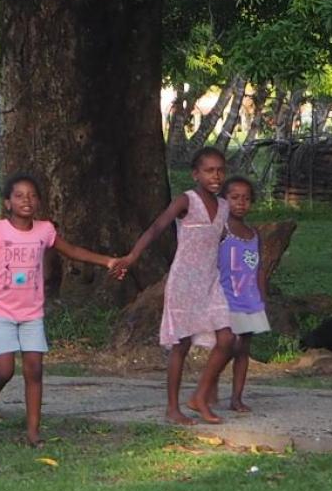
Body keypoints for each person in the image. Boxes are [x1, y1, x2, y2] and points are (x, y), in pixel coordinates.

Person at [0, 172, 114, 444]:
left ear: (39, 201)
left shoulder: (45, 231)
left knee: (34, 370)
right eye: (19, 196)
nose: (26, 200)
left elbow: (73, 250)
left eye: (31, 196)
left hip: (32, 313)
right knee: (4, 370)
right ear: (7, 203)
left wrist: (108, 262)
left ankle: (33, 431)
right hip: (2, 310)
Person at [114, 146, 237, 424]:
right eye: (209, 170)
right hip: (184, 281)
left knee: (228, 338)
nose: (215, 176)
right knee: (180, 345)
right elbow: (158, 227)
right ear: (196, 174)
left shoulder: (225, 207)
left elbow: (220, 241)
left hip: (211, 281)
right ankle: (173, 407)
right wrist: (133, 256)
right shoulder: (187, 201)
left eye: (220, 170)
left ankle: (200, 396)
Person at [208, 173, 282, 412]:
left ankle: (237, 397)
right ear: (223, 200)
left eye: (246, 198)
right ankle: (210, 390)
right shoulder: (221, 230)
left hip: (248, 299)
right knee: (225, 346)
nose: (241, 203)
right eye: (235, 197)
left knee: (243, 349)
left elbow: (259, 268)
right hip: (224, 297)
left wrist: (262, 297)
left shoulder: (253, 234)